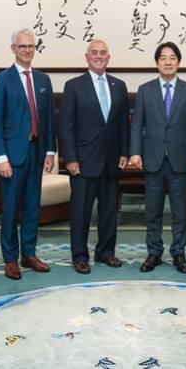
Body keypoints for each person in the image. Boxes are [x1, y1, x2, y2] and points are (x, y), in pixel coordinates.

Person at [130, 42, 186, 274]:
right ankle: (154, 253)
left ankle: (179, 253)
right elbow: (137, 125)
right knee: (153, 210)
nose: (168, 62)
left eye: (172, 58)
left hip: (181, 160)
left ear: (178, 62)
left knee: (180, 211)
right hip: (152, 159)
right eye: (163, 58)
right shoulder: (145, 90)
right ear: (157, 63)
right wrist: (135, 152)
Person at [0, 29, 56, 280]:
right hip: (12, 156)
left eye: (31, 46)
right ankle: (10, 259)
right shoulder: (3, 80)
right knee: (10, 209)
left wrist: (49, 151)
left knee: (32, 207)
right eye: (22, 46)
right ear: (13, 48)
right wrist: (1, 158)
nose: (27, 50)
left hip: (36, 153)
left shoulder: (42, 80)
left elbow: (48, 118)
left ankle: (29, 254)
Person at [59, 40, 130, 275]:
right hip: (82, 161)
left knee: (109, 211)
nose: (99, 57)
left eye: (103, 53)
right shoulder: (73, 86)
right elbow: (66, 126)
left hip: (111, 161)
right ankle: (80, 256)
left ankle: (106, 252)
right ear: (87, 57)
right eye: (94, 53)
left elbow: (122, 124)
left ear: (108, 58)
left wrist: (124, 152)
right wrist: (69, 158)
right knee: (80, 212)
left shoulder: (118, 86)